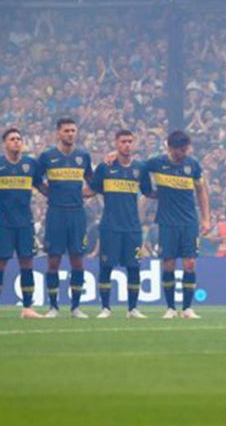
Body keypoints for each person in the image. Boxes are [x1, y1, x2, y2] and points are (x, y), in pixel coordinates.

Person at [143, 131, 210, 319]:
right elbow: (137, 169)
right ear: (170, 148)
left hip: (189, 222)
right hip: (167, 222)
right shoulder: (157, 163)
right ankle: (171, 308)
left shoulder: (192, 165)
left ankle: (187, 308)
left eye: (186, 149)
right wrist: (148, 191)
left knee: (189, 263)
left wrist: (206, 218)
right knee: (169, 264)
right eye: (181, 150)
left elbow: (201, 192)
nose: (185, 152)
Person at [86, 129, 151, 319]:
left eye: (130, 141)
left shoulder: (140, 169)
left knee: (134, 268)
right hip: (110, 226)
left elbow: (148, 192)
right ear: (116, 143)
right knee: (106, 267)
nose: (127, 145)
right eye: (123, 141)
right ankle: (105, 308)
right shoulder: (105, 168)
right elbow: (92, 190)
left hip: (132, 227)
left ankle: (132, 309)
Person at [0, 128, 42, 319]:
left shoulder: (31, 164)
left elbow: (40, 183)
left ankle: (27, 308)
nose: (16, 142)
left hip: (25, 222)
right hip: (3, 223)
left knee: (27, 262)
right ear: (4, 143)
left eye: (19, 139)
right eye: (12, 139)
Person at [37, 118, 93, 318]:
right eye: (67, 130)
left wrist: (87, 193)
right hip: (56, 213)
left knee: (78, 261)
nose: (71, 134)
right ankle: (53, 307)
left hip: (77, 214)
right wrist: (49, 193)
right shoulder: (47, 157)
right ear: (58, 133)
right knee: (53, 261)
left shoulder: (83, 156)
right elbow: (37, 180)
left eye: (73, 130)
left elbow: (92, 181)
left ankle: (75, 307)